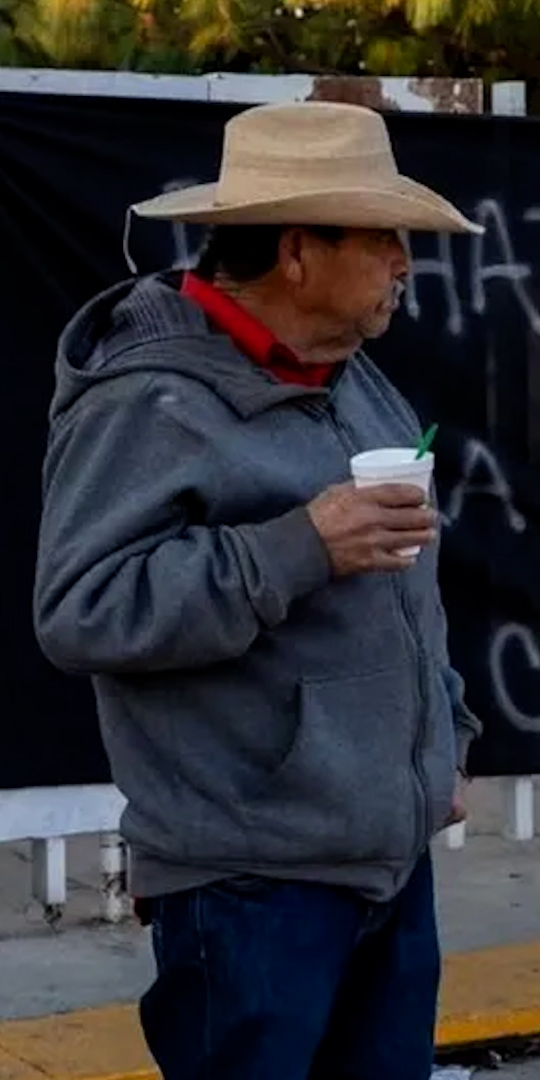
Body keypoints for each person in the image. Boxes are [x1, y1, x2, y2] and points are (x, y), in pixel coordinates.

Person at [32, 100, 485, 1080]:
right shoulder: (151, 399)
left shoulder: (355, 376)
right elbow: (81, 610)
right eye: (385, 239)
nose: (406, 264)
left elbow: (409, 592)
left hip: (382, 869)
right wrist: (296, 546)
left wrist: (442, 739)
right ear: (297, 251)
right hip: (249, 887)